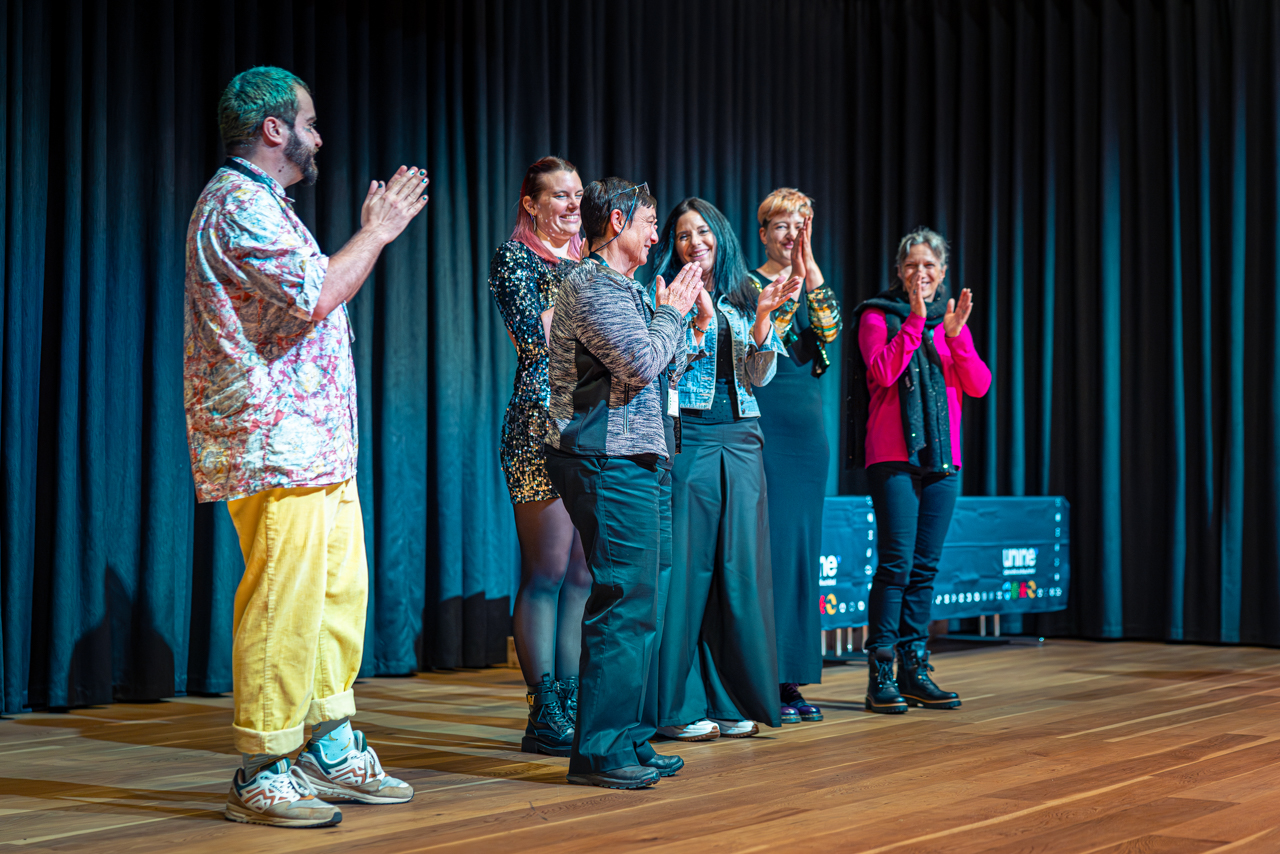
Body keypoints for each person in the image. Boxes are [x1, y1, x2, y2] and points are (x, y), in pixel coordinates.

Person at [184, 66, 427, 828]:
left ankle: (327, 742)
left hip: (315, 444)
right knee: (284, 603)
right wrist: (378, 230)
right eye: (311, 124)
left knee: (334, 595)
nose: (320, 137)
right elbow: (317, 292)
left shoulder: (268, 205)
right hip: (273, 441)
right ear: (274, 130)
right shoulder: (233, 204)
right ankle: (262, 767)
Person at [544, 177, 704, 789]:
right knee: (623, 601)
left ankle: (630, 738)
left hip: (643, 455)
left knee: (645, 604)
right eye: (649, 222)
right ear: (616, 222)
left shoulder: (630, 291)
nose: (657, 234)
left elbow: (665, 364)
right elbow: (638, 365)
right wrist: (671, 316)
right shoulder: (592, 285)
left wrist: (680, 327)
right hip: (608, 456)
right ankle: (600, 751)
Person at [649, 197, 800, 742]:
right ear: (673, 244)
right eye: (685, 236)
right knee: (688, 571)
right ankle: (676, 704)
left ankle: (731, 697)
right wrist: (696, 324)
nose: (696, 243)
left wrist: (762, 319)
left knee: (739, 570)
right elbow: (657, 369)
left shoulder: (743, 295)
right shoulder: (662, 293)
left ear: (721, 238)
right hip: (688, 435)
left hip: (742, 437)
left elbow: (759, 376)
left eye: (704, 233)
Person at [851, 228, 991, 714]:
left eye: (930, 265)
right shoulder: (877, 315)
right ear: (899, 271)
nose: (921, 273)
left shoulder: (951, 322)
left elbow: (977, 385)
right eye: (912, 265)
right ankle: (881, 672)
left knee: (925, 568)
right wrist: (913, 322)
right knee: (896, 564)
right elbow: (882, 373)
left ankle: (915, 666)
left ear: (943, 272)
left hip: (941, 460)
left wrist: (955, 339)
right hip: (893, 457)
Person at [488, 157, 591, 757]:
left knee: (583, 573)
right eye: (560, 196)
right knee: (547, 571)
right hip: (538, 426)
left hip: (589, 428)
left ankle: (574, 696)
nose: (573, 205)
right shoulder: (515, 258)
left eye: (578, 194)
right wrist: (586, 287)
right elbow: (536, 337)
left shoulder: (588, 263)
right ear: (531, 202)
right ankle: (543, 704)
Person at [747, 188, 842, 724]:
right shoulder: (748, 284)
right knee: (771, 552)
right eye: (782, 226)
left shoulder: (816, 287)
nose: (791, 235)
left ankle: (792, 677)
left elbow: (830, 334)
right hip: (766, 428)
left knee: (802, 557)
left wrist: (811, 273)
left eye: (800, 225)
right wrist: (786, 291)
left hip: (809, 439)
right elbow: (761, 348)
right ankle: (762, 673)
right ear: (763, 233)